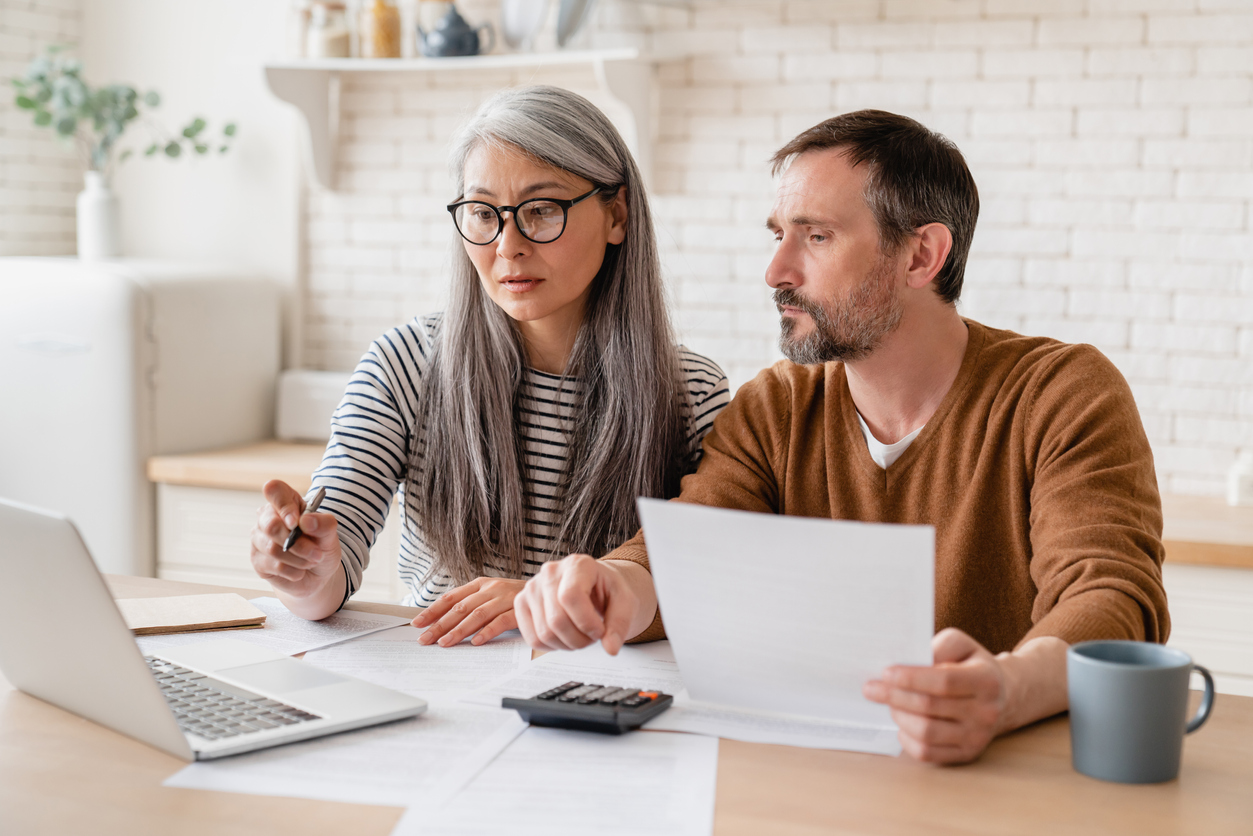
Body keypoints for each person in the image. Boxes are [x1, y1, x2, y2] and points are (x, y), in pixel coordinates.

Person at [513, 109, 1171, 765]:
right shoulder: (776, 405)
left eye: (816, 237)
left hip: (1004, 776)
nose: (775, 271)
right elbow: (686, 551)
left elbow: (1111, 599)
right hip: (820, 771)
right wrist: (608, 586)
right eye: (777, 236)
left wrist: (1006, 688)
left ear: (921, 255)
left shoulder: (1059, 393)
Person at [249, 85, 729, 648]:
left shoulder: (691, 391)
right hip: (445, 682)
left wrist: (540, 604)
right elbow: (330, 572)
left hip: (607, 693)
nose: (508, 245)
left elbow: (705, 585)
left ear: (616, 214)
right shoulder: (407, 362)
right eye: (483, 214)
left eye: (543, 210)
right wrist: (302, 567)